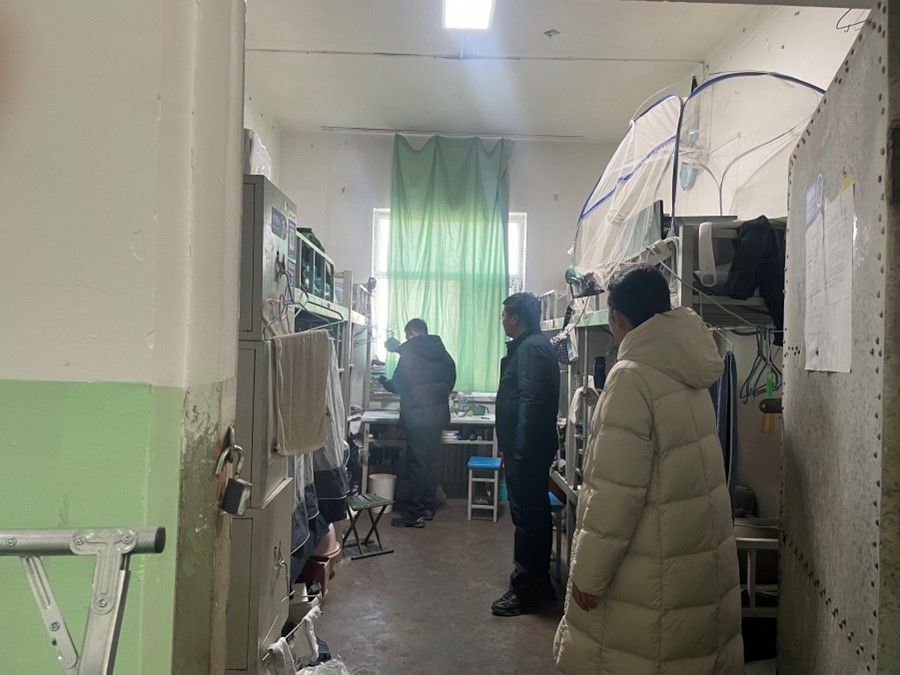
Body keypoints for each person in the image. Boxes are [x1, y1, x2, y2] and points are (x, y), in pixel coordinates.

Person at [554, 265, 743, 674]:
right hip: (690, 562)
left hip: (647, 572)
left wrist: (588, 574)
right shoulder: (689, 370)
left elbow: (615, 494)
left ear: (617, 318)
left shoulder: (631, 377)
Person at [491, 292, 561, 617]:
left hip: (527, 449)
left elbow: (530, 402)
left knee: (527, 519)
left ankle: (524, 592)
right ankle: (540, 580)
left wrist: (519, 447)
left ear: (516, 318)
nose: (502, 320)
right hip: (531, 447)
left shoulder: (530, 349)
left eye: (505, 315)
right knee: (537, 515)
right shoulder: (534, 345)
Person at [379, 318, 456, 528]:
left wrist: (384, 381)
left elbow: (398, 385)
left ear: (412, 333)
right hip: (437, 417)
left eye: (407, 336)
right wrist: (437, 397)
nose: (406, 340)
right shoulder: (442, 352)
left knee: (417, 464)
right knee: (432, 462)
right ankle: (428, 507)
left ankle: (415, 514)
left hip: (417, 418)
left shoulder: (410, 354)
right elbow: (450, 379)